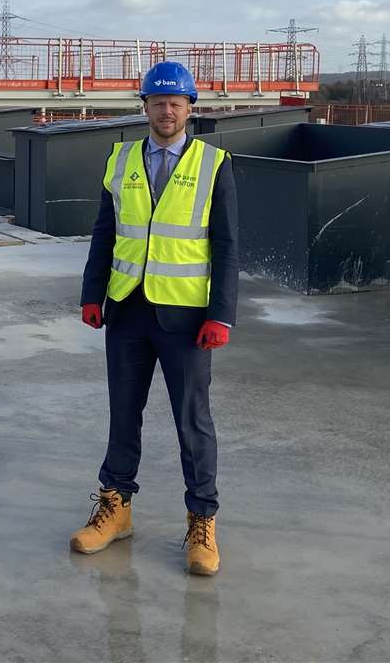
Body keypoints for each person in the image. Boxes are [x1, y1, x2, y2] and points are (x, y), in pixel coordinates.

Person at [69, 60, 238, 576]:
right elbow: (105, 232)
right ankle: (115, 508)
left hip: (186, 318)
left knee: (192, 420)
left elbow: (228, 246)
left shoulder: (214, 164)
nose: (167, 111)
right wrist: (92, 293)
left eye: (177, 102)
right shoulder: (120, 160)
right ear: (143, 106)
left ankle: (201, 521)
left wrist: (222, 315)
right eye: (158, 102)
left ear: (191, 108)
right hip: (126, 310)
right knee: (124, 411)